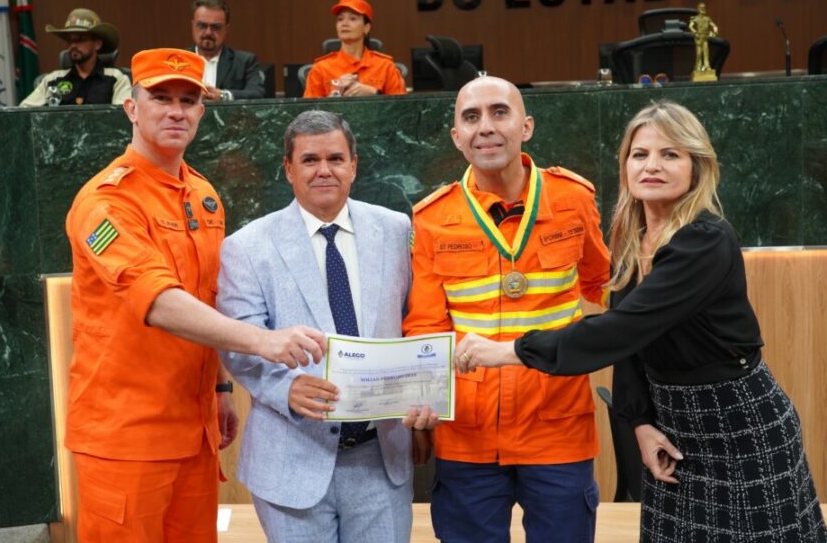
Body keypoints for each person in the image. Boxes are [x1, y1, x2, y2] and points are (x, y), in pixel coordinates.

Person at [455, 101, 827, 543]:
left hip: (738, 425)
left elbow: (622, 329)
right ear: (626, 166)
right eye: (640, 154)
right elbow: (633, 345)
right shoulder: (635, 241)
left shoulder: (705, 241)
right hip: (673, 427)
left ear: (697, 167)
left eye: (670, 154)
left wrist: (511, 351)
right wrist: (640, 422)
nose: (652, 165)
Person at [64, 48, 326, 542]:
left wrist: (221, 388)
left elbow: (208, 297)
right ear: (132, 108)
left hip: (194, 431)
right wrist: (263, 341)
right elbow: (159, 300)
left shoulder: (203, 196)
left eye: (189, 99)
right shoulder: (106, 201)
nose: (176, 110)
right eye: (161, 98)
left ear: (202, 112)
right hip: (127, 437)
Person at [403, 75, 611, 543]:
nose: (486, 127)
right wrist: (423, 409)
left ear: (527, 126)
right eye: (471, 117)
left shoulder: (574, 199)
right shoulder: (432, 218)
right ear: (457, 137)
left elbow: (601, 285)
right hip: (469, 435)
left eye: (500, 112)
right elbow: (425, 327)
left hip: (557, 427)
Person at [217, 110, 435, 543]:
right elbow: (238, 345)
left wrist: (427, 393)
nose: (324, 170)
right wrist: (285, 389)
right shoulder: (246, 247)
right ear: (288, 169)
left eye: (335, 158)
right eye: (310, 160)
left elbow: (419, 322)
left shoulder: (396, 229)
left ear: (354, 165)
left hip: (380, 459)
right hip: (291, 458)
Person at [20, 8, 131, 107]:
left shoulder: (117, 79)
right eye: (70, 40)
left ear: (97, 44)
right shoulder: (52, 80)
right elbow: (23, 114)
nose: (73, 45)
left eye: (80, 39)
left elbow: (121, 118)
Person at [303, 0, 406, 98]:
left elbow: (402, 109)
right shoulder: (320, 69)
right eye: (340, 19)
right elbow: (308, 113)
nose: (344, 23)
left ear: (366, 28)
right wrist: (334, 97)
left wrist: (375, 93)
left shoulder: (385, 66)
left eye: (353, 18)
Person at [189, 0, 265, 100]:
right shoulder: (178, 60)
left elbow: (257, 94)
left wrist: (223, 95)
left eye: (216, 27)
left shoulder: (244, 62)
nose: (208, 32)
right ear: (193, 25)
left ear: (226, 29)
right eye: (202, 26)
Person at [689, 2, 718, 73]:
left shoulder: (707, 19)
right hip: (699, 38)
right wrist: (695, 33)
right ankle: (698, 67)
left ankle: (707, 67)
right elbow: (690, 26)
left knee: (706, 54)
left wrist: (715, 31)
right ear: (698, 9)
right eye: (701, 8)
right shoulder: (696, 18)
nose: (703, 9)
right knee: (699, 54)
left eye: (704, 8)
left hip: (705, 38)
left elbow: (714, 26)